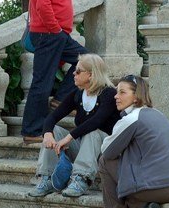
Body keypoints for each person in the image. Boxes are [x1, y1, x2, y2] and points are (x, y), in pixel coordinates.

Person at [21, 0, 87, 144]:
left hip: (54, 34)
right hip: (49, 34)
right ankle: (32, 131)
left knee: (87, 61)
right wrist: (56, 30)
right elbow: (43, 5)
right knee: (42, 82)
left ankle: (62, 99)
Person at [98, 75, 169, 208]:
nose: (116, 96)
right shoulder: (159, 114)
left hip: (152, 189)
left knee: (104, 161)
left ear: (136, 97)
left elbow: (107, 152)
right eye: (117, 92)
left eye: (122, 92)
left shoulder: (132, 119)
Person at [28, 54, 121, 198]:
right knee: (54, 130)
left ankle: (81, 178)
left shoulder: (109, 93)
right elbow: (52, 117)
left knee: (93, 132)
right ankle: (47, 178)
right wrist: (47, 134)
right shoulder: (78, 94)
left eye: (78, 71)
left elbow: (96, 121)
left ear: (90, 75)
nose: (73, 73)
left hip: (105, 151)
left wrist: (69, 137)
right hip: (85, 150)